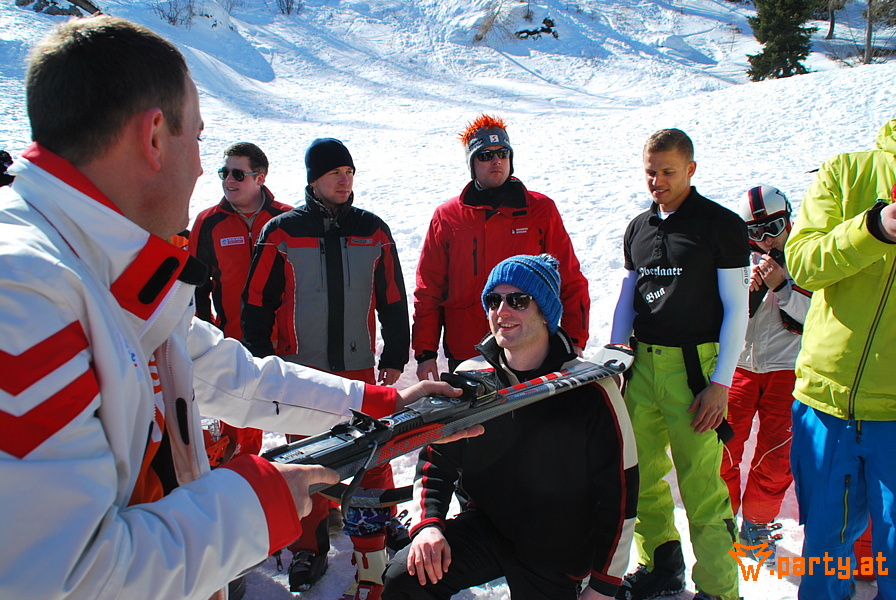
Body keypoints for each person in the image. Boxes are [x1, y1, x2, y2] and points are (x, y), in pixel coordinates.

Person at [0, 16, 477, 600]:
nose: (203, 168)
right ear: (153, 138)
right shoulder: (24, 292)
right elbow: (63, 580)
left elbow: (235, 378)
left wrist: (382, 402)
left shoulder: (107, 262)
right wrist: (260, 498)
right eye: (198, 138)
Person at [383, 254, 638, 600]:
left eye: (518, 300)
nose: (502, 311)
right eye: (493, 300)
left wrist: (604, 585)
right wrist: (428, 526)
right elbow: (435, 460)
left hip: (558, 548)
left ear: (545, 311)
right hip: (489, 525)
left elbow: (620, 493)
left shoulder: (589, 389)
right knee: (406, 578)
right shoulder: (473, 379)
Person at [242, 137, 410, 598]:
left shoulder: (373, 230)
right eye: (334, 172)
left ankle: (379, 532)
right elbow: (257, 301)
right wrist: (260, 360)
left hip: (357, 368)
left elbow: (393, 298)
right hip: (302, 372)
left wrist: (396, 354)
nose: (344, 179)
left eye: (349, 172)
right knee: (309, 460)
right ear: (314, 179)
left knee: (374, 454)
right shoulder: (281, 231)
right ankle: (307, 546)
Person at [610, 129, 749, 600]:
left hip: (696, 373)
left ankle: (720, 589)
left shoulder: (721, 225)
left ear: (691, 169)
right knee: (642, 476)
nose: (658, 181)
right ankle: (661, 565)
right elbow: (629, 295)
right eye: (651, 172)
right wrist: (616, 351)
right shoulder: (638, 228)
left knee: (703, 488)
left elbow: (737, 308)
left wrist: (720, 383)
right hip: (643, 369)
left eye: (668, 171)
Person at [785, 118, 896, 600]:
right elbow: (803, 261)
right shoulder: (849, 172)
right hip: (825, 404)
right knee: (826, 551)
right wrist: (874, 228)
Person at [412, 114, 590, 378]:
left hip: (529, 348)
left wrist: (575, 339)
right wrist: (425, 352)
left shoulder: (540, 211)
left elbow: (571, 280)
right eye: (484, 155)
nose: (495, 161)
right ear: (472, 163)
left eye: (502, 153)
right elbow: (429, 289)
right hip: (467, 351)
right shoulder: (448, 217)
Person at [719, 185, 810, 562]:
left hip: (786, 370)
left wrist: (783, 286)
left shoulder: (807, 257)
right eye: (754, 233)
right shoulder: (735, 259)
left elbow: (818, 318)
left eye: (773, 227)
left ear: (789, 220)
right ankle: (720, 522)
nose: (766, 240)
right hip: (738, 367)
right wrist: (746, 294)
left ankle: (757, 526)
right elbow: (713, 315)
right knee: (722, 450)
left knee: (776, 456)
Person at [190, 142, 292, 461]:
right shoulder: (208, 223)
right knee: (239, 435)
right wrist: (206, 339)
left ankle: (322, 508)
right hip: (234, 345)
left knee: (307, 426)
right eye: (224, 172)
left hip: (289, 343)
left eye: (237, 173)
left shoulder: (288, 218)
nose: (228, 180)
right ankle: (241, 497)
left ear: (260, 178)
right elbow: (195, 288)